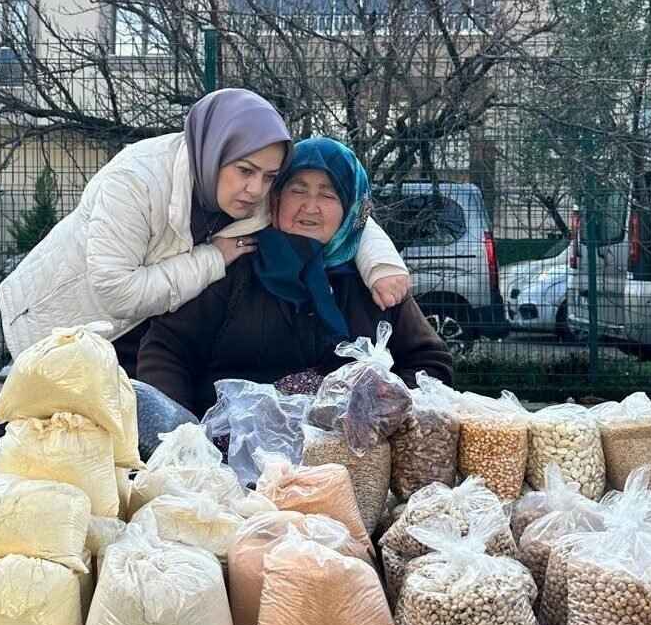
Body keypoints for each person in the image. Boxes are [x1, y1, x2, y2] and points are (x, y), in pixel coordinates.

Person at [0, 88, 412, 374]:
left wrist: (381, 264)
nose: (256, 190)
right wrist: (213, 258)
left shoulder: (256, 193)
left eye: (270, 177)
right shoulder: (134, 182)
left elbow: (338, 211)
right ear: (214, 153)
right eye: (245, 171)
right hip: (66, 321)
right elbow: (115, 292)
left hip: (148, 323)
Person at [137, 138, 455, 418]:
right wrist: (179, 430)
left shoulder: (374, 282)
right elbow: (167, 348)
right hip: (232, 458)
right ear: (274, 200)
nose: (310, 206)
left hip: (346, 461)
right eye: (297, 190)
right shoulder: (236, 266)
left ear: (351, 208)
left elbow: (430, 361)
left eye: (328, 196)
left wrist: (380, 411)